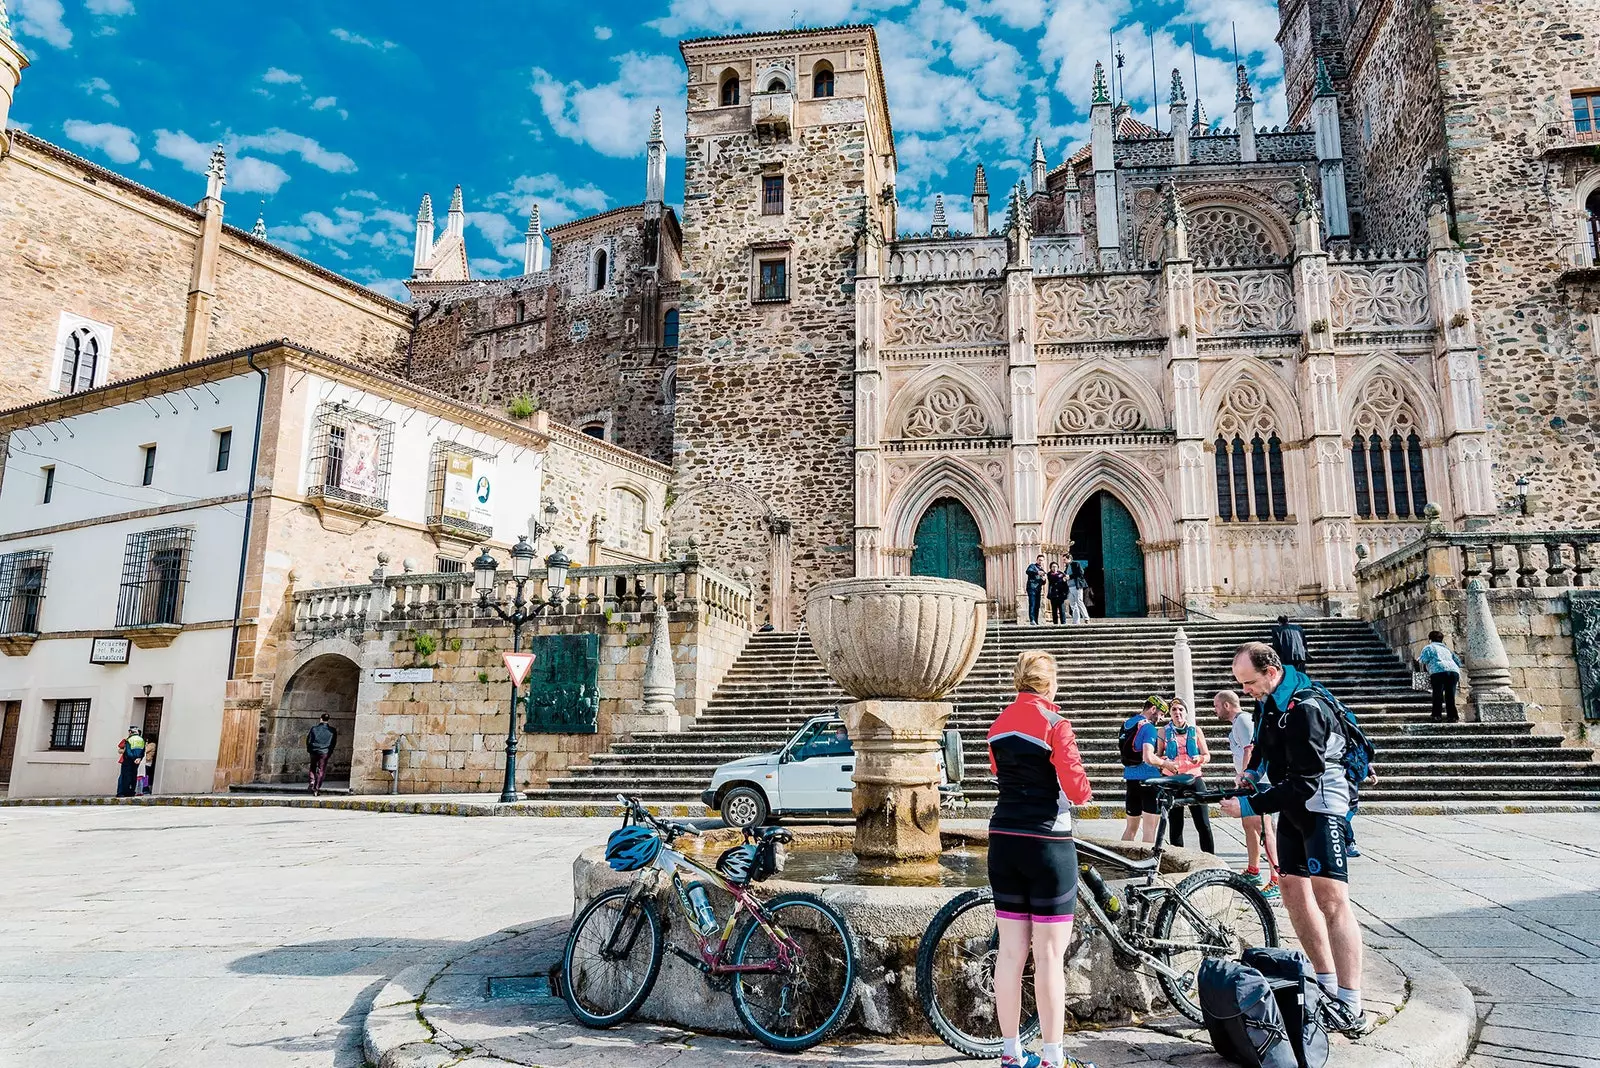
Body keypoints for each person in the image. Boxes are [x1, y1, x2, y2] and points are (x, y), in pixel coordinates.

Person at [1221, 642, 1371, 1035]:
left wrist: (1250, 808)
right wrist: (1250, 776)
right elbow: (1263, 750)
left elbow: (1306, 782)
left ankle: (1352, 1003)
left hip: (1323, 803)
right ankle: (1325, 983)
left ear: (1271, 671)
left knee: (1332, 901)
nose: (1246, 691)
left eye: (1248, 682)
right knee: (1291, 891)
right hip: (1293, 802)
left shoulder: (1306, 708)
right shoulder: (1270, 700)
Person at [987, 651, 1096, 1068]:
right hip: (1047, 841)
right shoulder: (1056, 724)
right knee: (1049, 956)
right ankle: (1053, 1057)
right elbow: (1077, 787)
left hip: (1003, 839)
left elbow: (1000, 773)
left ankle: (1011, 1054)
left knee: (1010, 954)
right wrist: (1084, 792)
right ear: (1050, 685)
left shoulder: (997, 726)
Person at [1214, 690, 1280, 902]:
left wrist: (1243, 775)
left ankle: (1276, 878)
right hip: (1251, 781)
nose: (1215, 710)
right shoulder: (1238, 722)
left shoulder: (1242, 721)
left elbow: (1250, 748)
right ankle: (1253, 870)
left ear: (1226, 705)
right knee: (1248, 825)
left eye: (1216, 706)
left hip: (1258, 782)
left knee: (1263, 828)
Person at [1158, 698, 1215, 853]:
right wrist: (1165, 761)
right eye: (1174, 710)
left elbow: (1207, 755)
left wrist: (1201, 759)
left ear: (1186, 712)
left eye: (1180, 709)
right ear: (1170, 714)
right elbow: (1158, 755)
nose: (1177, 713)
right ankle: (1179, 858)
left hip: (1193, 777)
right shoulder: (1163, 731)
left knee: (1203, 823)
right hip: (1173, 779)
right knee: (1175, 824)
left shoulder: (1195, 730)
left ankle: (1210, 858)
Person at [1120, 696, 1175, 844]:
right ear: (1153, 709)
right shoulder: (1148, 727)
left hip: (1131, 778)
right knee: (1150, 829)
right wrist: (1166, 764)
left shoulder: (1127, 724)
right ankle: (1146, 863)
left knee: (1130, 828)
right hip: (1149, 780)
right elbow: (1148, 757)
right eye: (1161, 714)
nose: (1162, 718)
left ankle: (1123, 860)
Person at [1418, 630, 1462, 723]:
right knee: (1450, 695)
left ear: (1430, 639)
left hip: (1438, 671)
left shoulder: (1429, 647)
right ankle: (1453, 716)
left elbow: (1423, 660)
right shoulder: (1447, 649)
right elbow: (1458, 661)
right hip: (1453, 671)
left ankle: (1437, 715)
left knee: (1437, 694)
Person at [306, 714, 337, 796]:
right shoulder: (332, 730)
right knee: (321, 769)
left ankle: (312, 782)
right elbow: (333, 743)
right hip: (324, 751)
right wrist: (329, 752)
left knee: (312, 767)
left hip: (314, 750)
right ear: (328, 720)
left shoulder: (314, 729)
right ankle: (317, 788)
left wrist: (310, 750)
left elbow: (308, 740)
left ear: (321, 719)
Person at [116, 726, 146, 798]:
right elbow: (143, 751)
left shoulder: (129, 739)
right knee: (133, 776)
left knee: (125, 776)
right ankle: (131, 791)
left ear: (130, 732)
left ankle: (123, 792)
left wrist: (133, 758)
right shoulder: (141, 740)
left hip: (128, 760)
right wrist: (139, 758)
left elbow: (128, 752)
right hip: (137, 761)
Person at [1066, 559, 1090, 624]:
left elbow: (1080, 573)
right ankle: (1076, 621)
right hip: (1069, 587)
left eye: (1064, 559)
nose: (1063, 561)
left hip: (1076, 586)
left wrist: (1070, 576)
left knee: (1079, 601)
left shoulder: (1075, 564)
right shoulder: (1067, 566)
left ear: (1069, 558)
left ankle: (1086, 618)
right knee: (1073, 604)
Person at [1025, 555, 1048, 626]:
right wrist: (1037, 572)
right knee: (1032, 604)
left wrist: (1044, 580)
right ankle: (1032, 620)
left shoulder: (1043, 570)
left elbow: (1043, 583)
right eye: (1039, 560)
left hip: (1038, 589)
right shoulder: (1032, 566)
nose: (1040, 561)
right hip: (1031, 588)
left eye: (1042, 560)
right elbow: (1028, 571)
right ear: (1037, 560)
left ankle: (1036, 621)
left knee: (1037, 605)